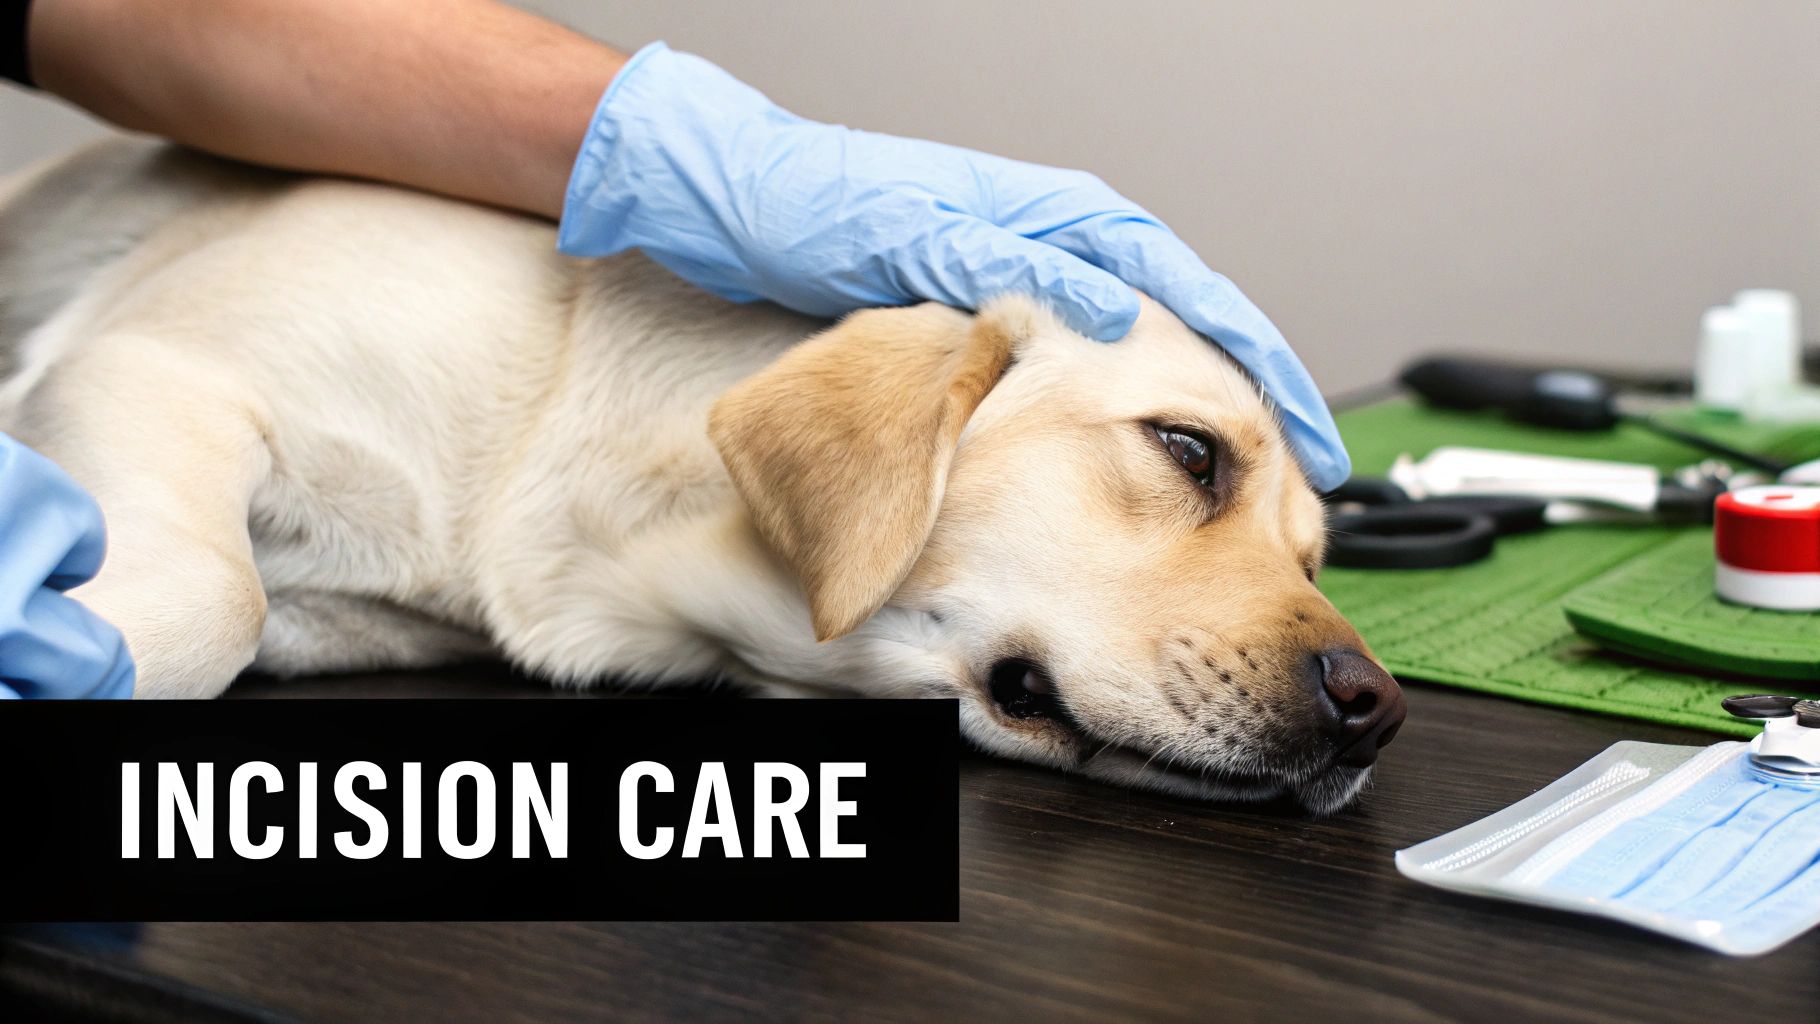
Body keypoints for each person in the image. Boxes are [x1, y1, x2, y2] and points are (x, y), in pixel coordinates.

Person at [0, 0, 1349, 699]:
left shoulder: (623, 578)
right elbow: (138, 378)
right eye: (1192, 461)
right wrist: (189, 596)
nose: (1345, 662)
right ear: (923, 413)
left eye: (1299, 561)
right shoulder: (479, 347)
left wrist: (674, 145)